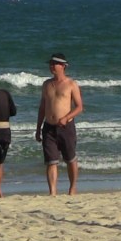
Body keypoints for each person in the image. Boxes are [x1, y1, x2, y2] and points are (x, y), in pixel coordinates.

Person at [36, 53, 84, 195]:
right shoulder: (46, 84)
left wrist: (67, 117)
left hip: (66, 127)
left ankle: (72, 188)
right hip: (48, 127)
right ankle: (52, 192)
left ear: (63, 66)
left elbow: (79, 107)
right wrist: (38, 128)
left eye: (54, 64)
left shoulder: (71, 84)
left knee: (70, 158)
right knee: (51, 161)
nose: (51, 66)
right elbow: (42, 107)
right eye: (50, 64)